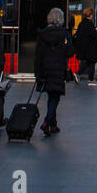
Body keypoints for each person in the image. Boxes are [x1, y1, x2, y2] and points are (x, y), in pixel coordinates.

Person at [34, 7, 75, 137]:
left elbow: (38, 56)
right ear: (61, 19)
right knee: (55, 97)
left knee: (51, 95)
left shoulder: (42, 34)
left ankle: (53, 124)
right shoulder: (64, 34)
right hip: (58, 69)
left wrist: (37, 74)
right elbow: (70, 52)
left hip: (45, 69)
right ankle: (46, 122)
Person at [74, 5, 97, 87]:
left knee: (87, 62)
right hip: (90, 48)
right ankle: (91, 80)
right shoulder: (90, 24)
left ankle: (78, 74)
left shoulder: (81, 23)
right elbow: (94, 35)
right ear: (91, 15)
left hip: (83, 47)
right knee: (91, 62)